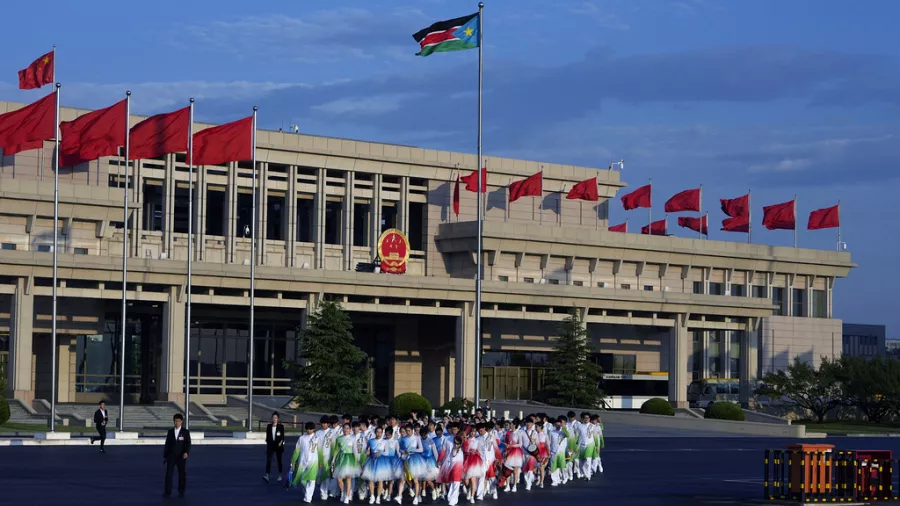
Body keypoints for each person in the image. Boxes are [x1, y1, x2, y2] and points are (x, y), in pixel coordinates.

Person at [163, 413, 191, 498]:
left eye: (178, 421)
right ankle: (167, 492)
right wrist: (165, 456)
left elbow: (188, 443)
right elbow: (167, 444)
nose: (176, 422)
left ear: (181, 421)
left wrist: (186, 452)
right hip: (171, 456)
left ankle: (181, 491)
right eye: (175, 421)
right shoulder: (170, 432)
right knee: (168, 474)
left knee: (182, 474)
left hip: (181, 456)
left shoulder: (185, 432)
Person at [291, 422, 320, 504]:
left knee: (311, 480)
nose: (309, 431)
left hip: (314, 462)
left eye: (311, 429)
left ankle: (308, 498)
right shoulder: (302, 438)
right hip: (302, 461)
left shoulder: (317, 438)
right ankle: (307, 494)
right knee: (302, 480)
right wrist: (293, 460)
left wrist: (321, 462)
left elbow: (320, 451)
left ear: (314, 429)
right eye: (307, 429)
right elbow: (297, 450)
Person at [333, 423, 362, 504]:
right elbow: (336, 450)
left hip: (349, 459)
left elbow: (355, 451)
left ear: (350, 429)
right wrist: (333, 460)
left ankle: (347, 496)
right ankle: (342, 493)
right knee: (339, 479)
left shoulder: (353, 438)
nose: (345, 430)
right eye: (344, 428)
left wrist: (356, 462)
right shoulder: (339, 438)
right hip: (341, 459)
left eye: (347, 428)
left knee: (348, 479)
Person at [264, 411, 286, 483]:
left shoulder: (281, 426)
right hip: (270, 445)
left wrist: (280, 443)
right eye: (273, 417)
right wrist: (268, 443)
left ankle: (280, 474)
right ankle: (267, 475)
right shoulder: (269, 426)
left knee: (279, 460)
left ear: (278, 419)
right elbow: (267, 436)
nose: (274, 419)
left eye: (276, 418)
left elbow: (282, 437)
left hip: (278, 445)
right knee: (269, 460)